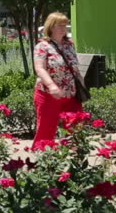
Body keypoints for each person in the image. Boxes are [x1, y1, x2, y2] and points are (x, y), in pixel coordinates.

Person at [32, 11, 83, 148]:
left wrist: (81, 84)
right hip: (48, 94)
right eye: (59, 25)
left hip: (70, 94)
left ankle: (74, 157)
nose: (63, 28)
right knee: (46, 129)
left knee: (75, 126)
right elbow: (40, 68)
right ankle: (43, 160)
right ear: (50, 27)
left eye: (64, 25)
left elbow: (75, 68)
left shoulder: (69, 45)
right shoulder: (42, 46)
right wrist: (51, 85)